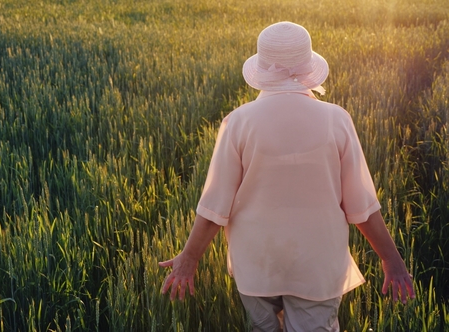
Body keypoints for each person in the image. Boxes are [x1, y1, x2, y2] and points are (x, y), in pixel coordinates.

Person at [158, 21, 415, 332]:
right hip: (317, 266)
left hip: (256, 265)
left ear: (262, 69)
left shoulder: (238, 122)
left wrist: (189, 259)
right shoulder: (336, 120)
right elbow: (361, 206)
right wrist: (392, 260)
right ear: (308, 67)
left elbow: (215, 207)